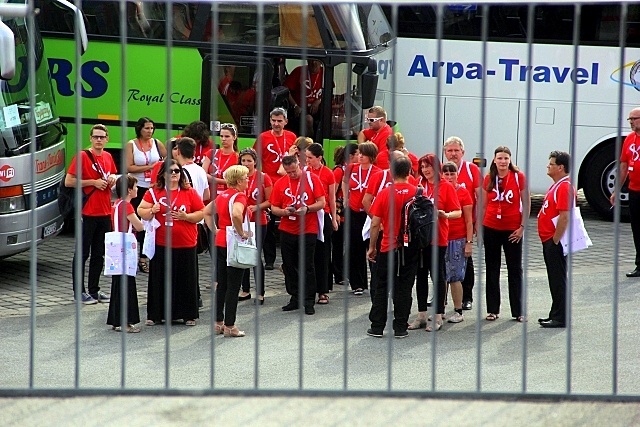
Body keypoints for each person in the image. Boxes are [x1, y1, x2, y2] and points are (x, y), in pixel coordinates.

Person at [137, 160, 205, 326]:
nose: (174, 173)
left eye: (177, 171)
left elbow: (202, 213)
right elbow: (140, 211)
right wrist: (152, 210)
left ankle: (188, 315)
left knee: (186, 280)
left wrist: (187, 217)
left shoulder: (189, 192)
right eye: (171, 171)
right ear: (163, 174)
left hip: (186, 243)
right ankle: (155, 314)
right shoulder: (155, 192)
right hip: (161, 244)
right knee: (159, 279)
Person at [366, 156, 419, 338]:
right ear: (410, 171)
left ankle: (377, 326)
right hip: (410, 248)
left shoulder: (385, 193)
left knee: (382, 286)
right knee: (404, 288)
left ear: (391, 172)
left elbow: (375, 223)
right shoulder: (418, 193)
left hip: (388, 246)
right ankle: (401, 327)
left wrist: (372, 247)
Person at [408, 154, 461, 332]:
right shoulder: (419, 185)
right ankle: (422, 314)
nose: (425, 170)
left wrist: (445, 214)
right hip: (421, 237)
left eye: (428, 166)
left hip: (438, 237)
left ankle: (438, 315)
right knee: (420, 276)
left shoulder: (445, 186)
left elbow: (457, 212)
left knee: (437, 276)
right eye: (422, 167)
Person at [65, 124, 117, 304]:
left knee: (99, 253)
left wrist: (111, 180)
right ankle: (79, 291)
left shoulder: (109, 156)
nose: (99, 140)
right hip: (87, 212)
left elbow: (113, 178)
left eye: (102, 137)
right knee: (82, 253)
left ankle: (94, 290)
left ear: (107, 139)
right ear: (90, 138)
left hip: (104, 211)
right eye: (96, 137)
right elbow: (69, 181)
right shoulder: (82, 156)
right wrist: (92, 182)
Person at [479, 146, 530, 323]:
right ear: (494, 160)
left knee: (515, 270)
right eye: (499, 158)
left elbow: (527, 203)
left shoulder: (518, 177)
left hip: (513, 230)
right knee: (492, 269)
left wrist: (522, 227)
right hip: (491, 228)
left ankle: (518, 311)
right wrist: (479, 228)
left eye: (506, 158)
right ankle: (493, 310)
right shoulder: (489, 179)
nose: (502, 161)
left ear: (510, 160)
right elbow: (484, 206)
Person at [269, 155, 325, 315]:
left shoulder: (312, 179)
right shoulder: (280, 183)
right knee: (289, 265)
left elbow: (322, 202)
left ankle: (308, 300)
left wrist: (307, 208)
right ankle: (295, 297)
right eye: (288, 172)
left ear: (299, 165)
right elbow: (274, 207)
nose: (292, 174)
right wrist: (284, 212)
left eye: (294, 171)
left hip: (308, 228)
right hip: (287, 229)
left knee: (307, 265)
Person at [204, 165, 252, 337]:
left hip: (221, 240)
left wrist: (215, 229)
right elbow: (237, 214)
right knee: (234, 286)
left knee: (222, 283)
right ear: (239, 180)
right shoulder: (239, 196)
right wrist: (241, 232)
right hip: (233, 243)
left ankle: (218, 322)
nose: (248, 180)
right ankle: (230, 325)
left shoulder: (222, 195)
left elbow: (207, 212)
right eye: (246, 178)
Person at [254, 108, 297, 270]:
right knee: (269, 222)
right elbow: (255, 159)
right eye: (273, 120)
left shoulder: (292, 137)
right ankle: (269, 259)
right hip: (269, 183)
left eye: (279, 121)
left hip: (287, 183)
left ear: (285, 121)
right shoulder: (263, 137)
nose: (276, 124)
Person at [443, 136, 481, 311]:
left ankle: (467, 297)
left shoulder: (472, 170)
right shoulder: (442, 171)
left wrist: (477, 225)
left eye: (456, 150)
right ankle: (440, 297)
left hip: (464, 228)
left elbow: (480, 198)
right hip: (443, 231)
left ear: (463, 152)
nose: (453, 154)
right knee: (441, 265)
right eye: (449, 151)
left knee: (466, 263)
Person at [126, 117, 167, 274]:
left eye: (151, 128)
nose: (149, 131)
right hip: (138, 188)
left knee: (151, 222)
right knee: (139, 222)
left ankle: (144, 257)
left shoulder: (157, 143)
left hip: (153, 188)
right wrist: (150, 166)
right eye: (146, 128)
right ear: (139, 129)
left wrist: (158, 170)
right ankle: (135, 255)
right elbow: (128, 166)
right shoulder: (131, 145)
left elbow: (168, 160)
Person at [537, 151, 574, 328]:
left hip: (554, 242)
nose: (548, 166)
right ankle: (555, 313)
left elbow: (564, 216)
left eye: (551, 164)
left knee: (558, 279)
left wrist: (555, 240)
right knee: (555, 278)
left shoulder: (565, 187)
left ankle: (560, 317)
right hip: (549, 240)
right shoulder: (557, 185)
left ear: (560, 167)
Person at [106, 175, 144, 333]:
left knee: (117, 283)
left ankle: (116, 320)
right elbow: (139, 226)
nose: (137, 189)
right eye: (135, 187)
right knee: (127, 284)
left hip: (115, 246)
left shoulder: (116, 204)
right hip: (125, 247)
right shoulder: (127, 206)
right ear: (129, 190)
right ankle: (126, 322)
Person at [342, 141, 380, 296]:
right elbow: (345, 182)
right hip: (353, 211)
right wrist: (345, 198)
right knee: (354, 247)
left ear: (371, 156)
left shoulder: (377, 172)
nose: (360, 156)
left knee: (371, 246)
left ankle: (376, 282)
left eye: (363, 154)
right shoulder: (351, 168)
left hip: (369, 213)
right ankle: (358, 283)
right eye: (359, 153)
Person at [304, 142, 338, 305]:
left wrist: (334, 217)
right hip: (307, 215)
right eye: (306, 157)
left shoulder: (328, 173)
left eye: (310, 158)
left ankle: (323, 290)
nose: (307, 160)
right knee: (308, 254)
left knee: (323, 254)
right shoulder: (304, 172)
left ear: (319, 158)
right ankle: (308, 288)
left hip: (322, 215)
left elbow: (331, 198)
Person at [238, 148, 272, 305]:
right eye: (243, 160)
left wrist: (256, 207)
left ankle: (260, 292)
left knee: (256, 256)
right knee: (243, 255)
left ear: (255, 161)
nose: (246, 163)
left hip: (259, 221)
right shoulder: (238, 176)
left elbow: (270, 201)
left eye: (249, 160)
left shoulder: (263, 177)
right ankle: (245, 290)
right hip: (241, 221)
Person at [441, 162, 474, 324]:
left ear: (457, 175)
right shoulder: (439, 190)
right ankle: (440, 308)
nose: (449, 177)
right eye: (446, 174)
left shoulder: (463, 193)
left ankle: (458, 310)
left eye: (452, 174)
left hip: (457, 238)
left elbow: (469, 221)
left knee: (455, 276)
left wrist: (469, 242)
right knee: (441, 275)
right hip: (441, 238)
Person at [611, 107, 640, 277]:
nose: (631, 123)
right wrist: (616, 190)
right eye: (629, 120)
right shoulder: (629, 139)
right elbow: (623, 166)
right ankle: (639, 264)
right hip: (634, 190)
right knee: (637, 228)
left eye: (634, 119)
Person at [331, 143, 359, 287]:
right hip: (340, 215)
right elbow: (332, 194)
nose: (360, 157)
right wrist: (335, 212)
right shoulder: (339, 171)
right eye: (357, 154)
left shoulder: (354, 171)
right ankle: (338, 274)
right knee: (337, 245)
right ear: (350, 156)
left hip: (349, 214)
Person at [284, 59, 325, 136]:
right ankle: (310, 143)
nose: (313, 62)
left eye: (316, 60)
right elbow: (285, 91)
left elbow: (329, 92)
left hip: (318, 109)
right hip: (300, 109)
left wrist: (318, 101)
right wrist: (295, 105)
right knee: (308, 119)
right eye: (311, 60)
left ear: (321, 62)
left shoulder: (325, 73)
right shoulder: (299, 71)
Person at [202, 123, 240, 197]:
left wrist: (213, 180)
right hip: (210, 195)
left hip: (227, 196)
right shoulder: (211, 153)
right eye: (221, 136)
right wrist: (225, 181)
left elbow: (237, 181)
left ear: (234, 137)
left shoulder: (238, 157)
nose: (223, 139)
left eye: (227, 136)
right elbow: (203, 174)